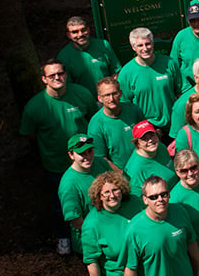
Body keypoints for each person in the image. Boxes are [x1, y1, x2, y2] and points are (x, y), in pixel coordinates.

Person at [20, 58, 97, 255]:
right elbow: (30, 133)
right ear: (44, 79)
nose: (57, 77)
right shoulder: (34, 106)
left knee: (91, 198)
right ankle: (64, 236)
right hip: (56, 165)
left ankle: (95, 235)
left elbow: (93, 118)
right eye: (51, 75)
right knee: (60, 204)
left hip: (86, 161)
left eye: (60, 73)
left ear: (66, 74)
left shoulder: (82, 94)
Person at [123, 176, 199, 276]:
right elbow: (130, 268)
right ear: (145, 200)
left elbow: (191, 241)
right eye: (154, 197)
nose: (160, 199)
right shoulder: (134, 229)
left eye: (163, 194)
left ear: (169, 195)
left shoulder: (180, 212)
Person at [119, 27, 184, 136]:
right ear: (133, 47)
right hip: (146, 130)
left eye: (148, 44)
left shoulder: (169, 63)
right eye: (140, 45)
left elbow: (182, 91)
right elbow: (125, 105)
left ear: (153, 43)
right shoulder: (126, 73)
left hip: (173, 125)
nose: (145, 48)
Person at [82, 171, 144, 275]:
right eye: (106, 192)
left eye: (115, 190)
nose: (112, 196)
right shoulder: (92, 224)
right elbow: (91, 261)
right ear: (99, 196)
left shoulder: (135, 203)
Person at [58, 133, 111, 254]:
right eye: (81, 153)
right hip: (91, 241)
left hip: (110, 228)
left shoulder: (100, 163)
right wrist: (101, 234)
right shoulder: (69, 184)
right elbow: (77, 222)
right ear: (71, 155)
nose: (87, 156)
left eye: (90, 151)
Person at [88, 77, 145, 170]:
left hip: (144, 164)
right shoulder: (96, 125)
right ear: (99, 98)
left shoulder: (133, 110)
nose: (111, 99)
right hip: (122, 172)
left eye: (114, 94)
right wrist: (121, 175)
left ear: (120, 94)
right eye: (107, 95)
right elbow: (101, 158)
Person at [56, 16, 120, 95]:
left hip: (107, 97)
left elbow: (116, 72)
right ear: (69, 35)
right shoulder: (64, 56)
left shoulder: (103, 45)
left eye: (83, 30)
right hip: (83, 100)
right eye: (75, 32)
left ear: (88, 30)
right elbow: (67, 85)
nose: (80, 34)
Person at [124, 120, 177, 195]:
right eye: (144, 139)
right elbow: (138, 199)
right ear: (137, 143)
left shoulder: (160, 147)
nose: (150, 140)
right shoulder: (136, 170)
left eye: (152, 135)